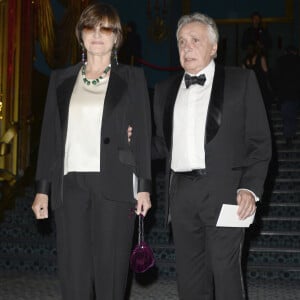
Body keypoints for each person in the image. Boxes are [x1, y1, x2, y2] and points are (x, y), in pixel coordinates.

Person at [31, 3, 152, 300]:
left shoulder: (133, 79)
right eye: (90, 27)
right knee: (73, 274)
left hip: (114, 183)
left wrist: (145, 188)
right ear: (80, 35)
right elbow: (49, 137)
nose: (97, 34)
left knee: (110, 275)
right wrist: (42, 189)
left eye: (106, 28)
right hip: (69, 185)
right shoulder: (60, 79)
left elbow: (144, 136)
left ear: (116, 37)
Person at [152, 12, 271, 299]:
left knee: (226, 273)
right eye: (181, 42)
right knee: (190, 280)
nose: (187, 47)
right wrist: (127, 144)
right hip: (181, 194)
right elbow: (160, 145)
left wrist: (249, 187)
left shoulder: (242, 82)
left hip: (227, 193)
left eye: (195, 40)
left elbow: (260, 142)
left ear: (214, 47)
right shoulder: (164, 90)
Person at [272, 45, 300, 146]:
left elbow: (275, 77)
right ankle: (291, 133)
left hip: (284, 93)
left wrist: (276, 92)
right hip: (296, 92)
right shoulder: (298, 60)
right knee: (293, 114)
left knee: (287, 116)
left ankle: (289, 136)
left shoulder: (280, 61)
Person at [242, 43, 273, 112]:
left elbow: (244, 72)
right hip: (260, 84)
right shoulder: (261, 57)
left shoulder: (246, 59)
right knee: (263, 106)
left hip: (249, 85)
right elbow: (265, 70)